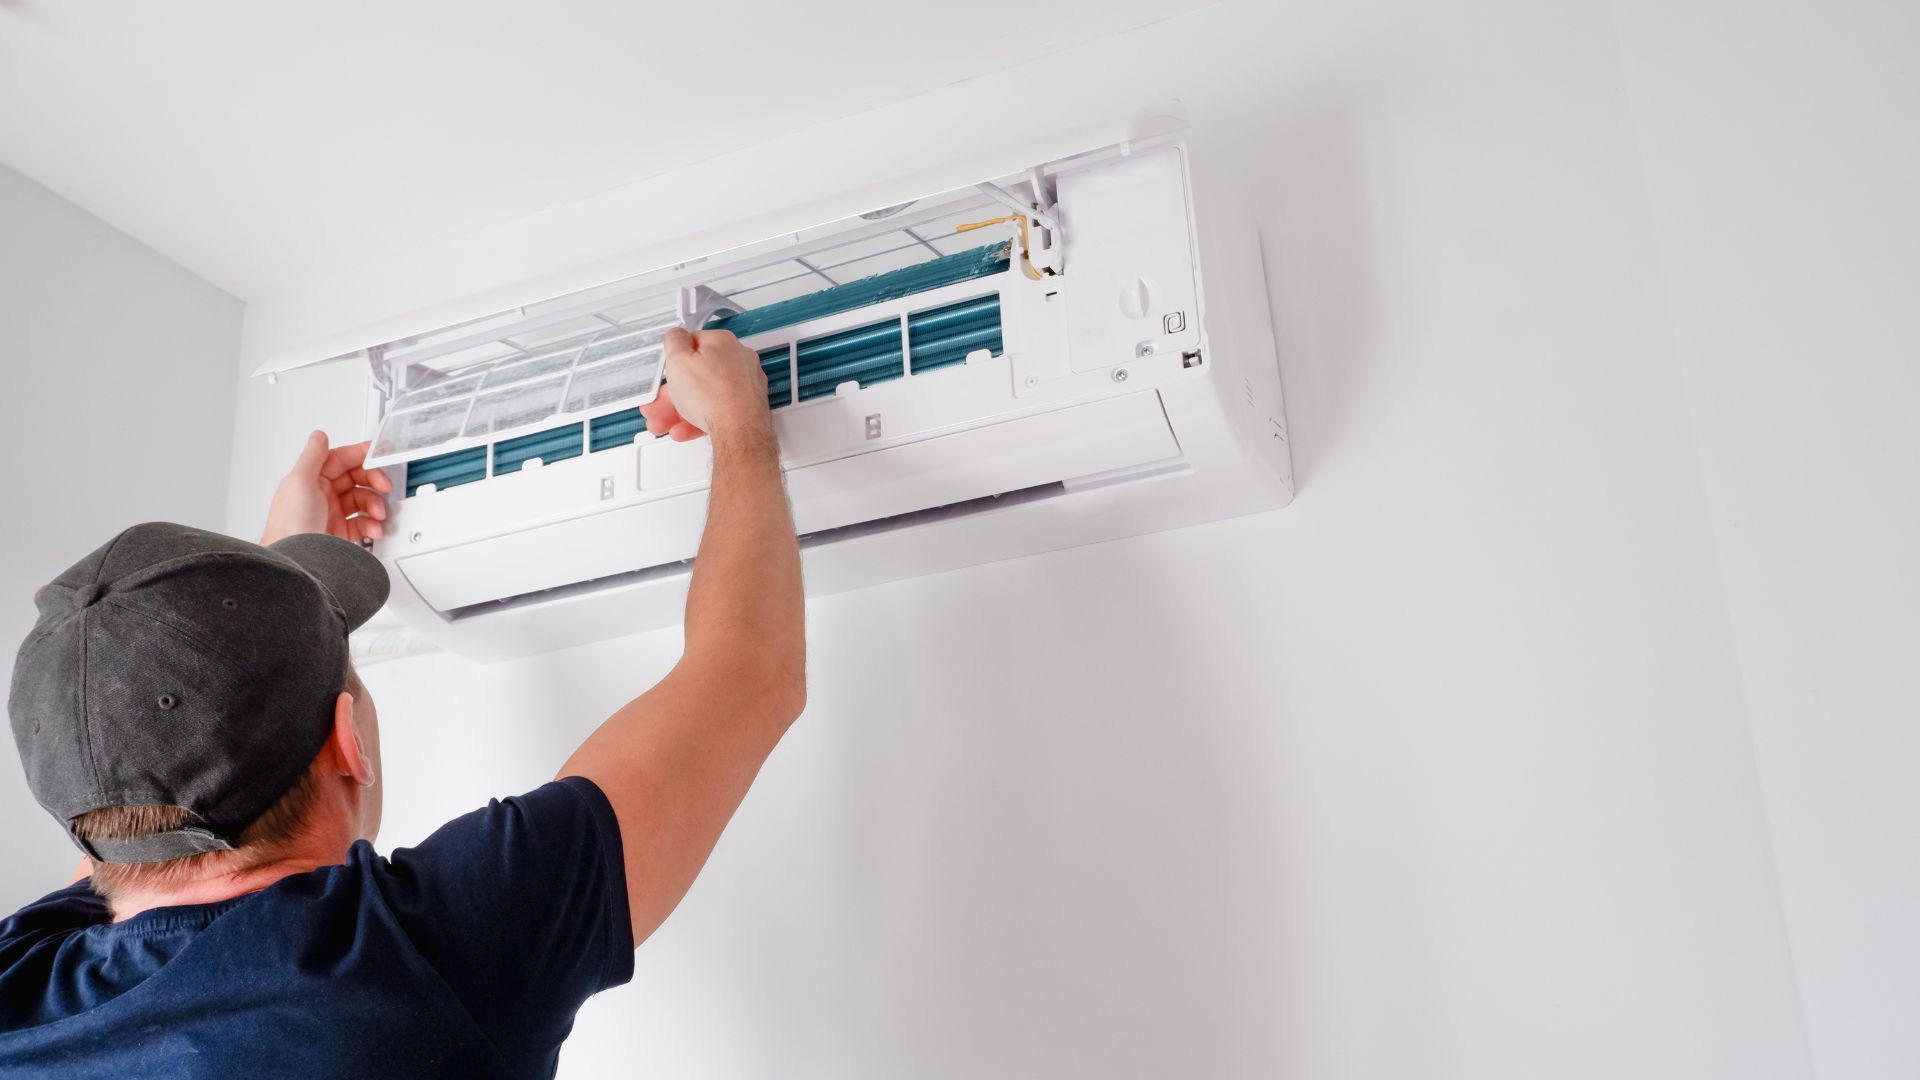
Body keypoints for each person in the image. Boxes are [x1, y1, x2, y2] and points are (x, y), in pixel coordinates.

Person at [0, 329, 804, 1078]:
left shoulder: (20, 984)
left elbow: (147, 812)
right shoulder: (432, 953)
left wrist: (280, 582)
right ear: (348, 742)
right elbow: (747, 673)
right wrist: (738, 422)